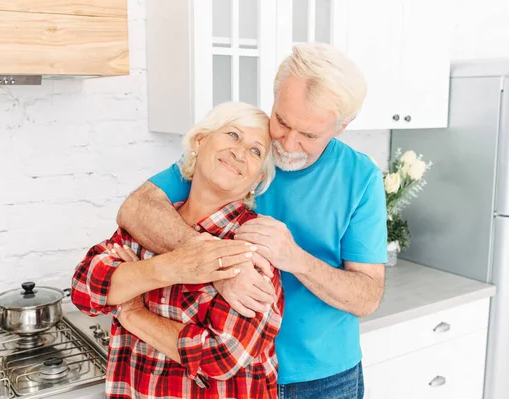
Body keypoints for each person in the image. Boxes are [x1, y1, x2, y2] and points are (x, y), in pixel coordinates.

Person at [116, 43, 387, 398]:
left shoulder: (360, 176)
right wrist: (221, 265)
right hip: (234, 378)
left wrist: (297, 259)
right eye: (282, 122)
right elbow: (137, 208)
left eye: (308, 135)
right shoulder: (238, 149)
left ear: (342, 126)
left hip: (322, 379)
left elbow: (367, 296)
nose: (287, 144)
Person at [71, 102, 284, 399]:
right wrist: (171, 266)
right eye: (233, 135)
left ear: (256, 179)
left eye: (255, 151)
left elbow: (222, 356)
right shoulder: (152, 222)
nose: (239, 152)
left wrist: (133, 313)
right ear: (200, 141)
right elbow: (84, 289)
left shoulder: (252, 243)